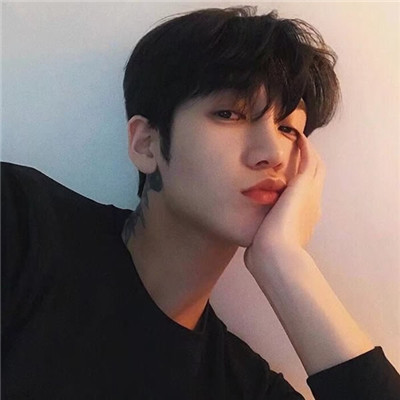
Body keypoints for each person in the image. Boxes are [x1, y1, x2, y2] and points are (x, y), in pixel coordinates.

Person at [2, 5, 400, 399]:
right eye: (229, 114)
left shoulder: (243, 387)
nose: (272, 154)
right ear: (146, 144)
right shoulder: (20, 220)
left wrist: (285, 264)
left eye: (287, 129)